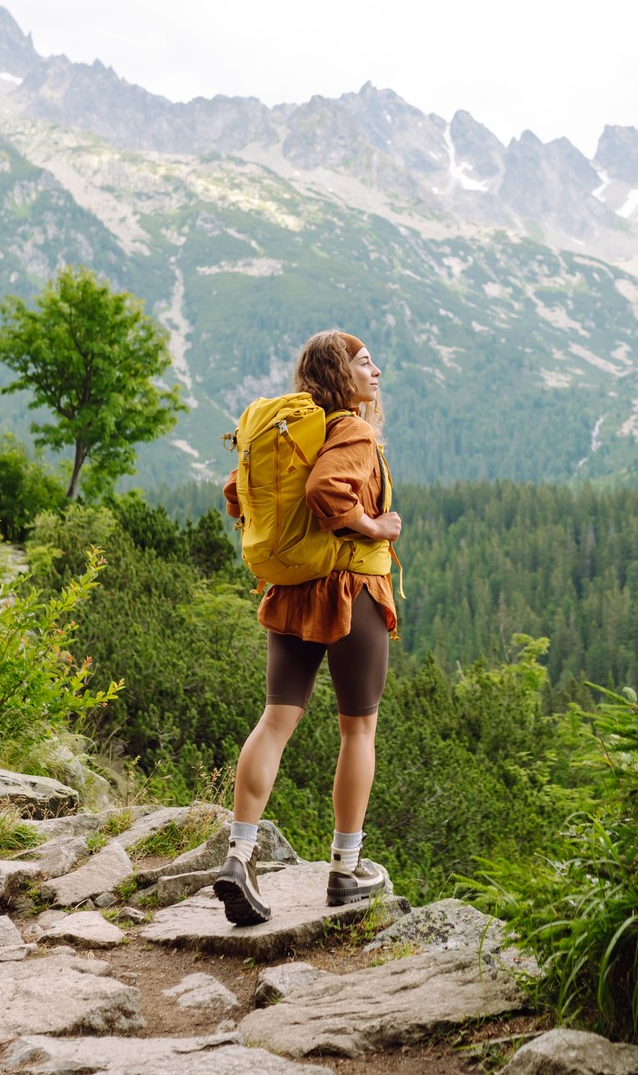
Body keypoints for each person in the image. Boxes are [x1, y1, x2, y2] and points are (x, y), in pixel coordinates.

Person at [214, 329, 401, 924]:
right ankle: (346, 871)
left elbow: (236, 496)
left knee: (275, 721)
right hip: (352, 592)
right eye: (366, 364)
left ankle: (239, 854)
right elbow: (327, 489)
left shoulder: (287, 433)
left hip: (292, 592)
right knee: (358, 732)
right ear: (342, 375)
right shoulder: (352, 429)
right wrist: (375, 527)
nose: (377, 373)